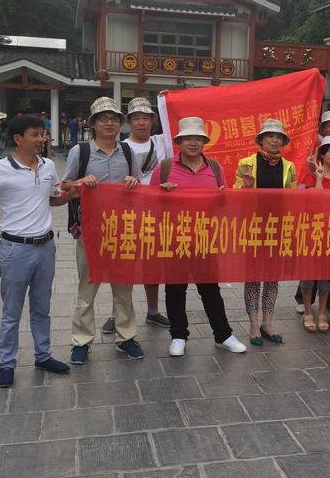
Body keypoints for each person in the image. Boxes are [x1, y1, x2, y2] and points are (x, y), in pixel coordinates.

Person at [0, 115, 72, 387]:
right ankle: (7, 363)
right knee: (12, 312)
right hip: (16, 249)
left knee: (42, 308)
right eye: (35, 134)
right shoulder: (0, 168)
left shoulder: (48, 165)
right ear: (18, 139)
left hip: (46, 247)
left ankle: (43, 355)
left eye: (42, 134)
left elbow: (53, 200)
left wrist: (73, 193)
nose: (41, 139)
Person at [150, 117, 246, 357]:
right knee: (175, 289)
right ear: (179, 142)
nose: (193, 143)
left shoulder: (214, 168)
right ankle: (178, 336)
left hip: (205, 238)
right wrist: (162, 194)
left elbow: (223, 203)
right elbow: (149, 202)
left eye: (198, 139)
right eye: (188, 139)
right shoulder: (164, 168)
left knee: (210, 289)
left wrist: (223, 197)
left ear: (204, 142)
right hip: (175, 238)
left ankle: (223, 335)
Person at [62, 97, 144, 365]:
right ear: (93, 124)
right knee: (87, 288)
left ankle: (126, 337)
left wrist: (133, 182)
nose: (109, 123)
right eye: (103, 119)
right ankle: (81, 341)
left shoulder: (128, 152)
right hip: (91, 231)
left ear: (120, 124)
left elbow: (139, 185)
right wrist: (80, 182)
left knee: (124, 289)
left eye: (114, 119)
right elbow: (65, 186)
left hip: (123, 230)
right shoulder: (81, 151)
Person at [101, 96, 169, 334]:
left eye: (146, 118)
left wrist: (167, 101)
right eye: (136, 118)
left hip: (156, 214)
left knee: (153, 265)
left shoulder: (162, 142)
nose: (142, 122)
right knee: (122, 266)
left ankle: (153, 311)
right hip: (126, 215)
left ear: (153, 121)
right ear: (128, 122)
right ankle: (116, 313)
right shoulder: (119, 147)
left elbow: (179, 121)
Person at [234, 118, 296, 346]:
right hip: (252, 226)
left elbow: (293, 198)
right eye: (270, 136)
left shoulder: (289, 166)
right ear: (261, 139)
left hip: (277, 228)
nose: (274, 140)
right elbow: (235, 194)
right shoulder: (246, 163)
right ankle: (253, 324)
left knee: (272, 277)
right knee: (252, 278)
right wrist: (247, 186)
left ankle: (268, 323)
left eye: (279, 137)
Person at [295, 109, 330, 313]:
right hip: (314, 227)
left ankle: (328, 306)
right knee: (310, 269)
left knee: (329, 270)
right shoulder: (311, 163)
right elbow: (309, 200)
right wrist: (317, 177)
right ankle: (306, 304)